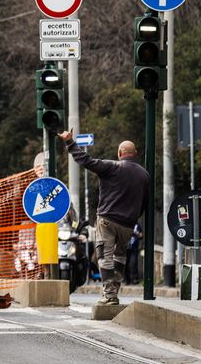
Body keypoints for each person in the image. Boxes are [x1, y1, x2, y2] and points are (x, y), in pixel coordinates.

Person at [57, 130, 150, 306]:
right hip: (128, 224)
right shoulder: (144, 175)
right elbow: (145, 202)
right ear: (135, 154)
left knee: (104, 256)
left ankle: (109, 295)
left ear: (119, 154)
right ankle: (114, 291)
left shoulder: (112, 167)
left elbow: (85, 160)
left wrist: (70, 142)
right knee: (120, 257)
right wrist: (132, 217)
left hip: (107, 220)